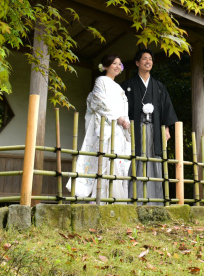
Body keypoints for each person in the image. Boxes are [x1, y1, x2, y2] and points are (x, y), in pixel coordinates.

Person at [67, 54, 131, 202]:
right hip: (106, 127)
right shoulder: (101, 81)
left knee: (116, 163)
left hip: (118, 129)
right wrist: (117, 117)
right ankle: (99, 199)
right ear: (106, 66)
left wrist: (124, 120)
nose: (117, 66)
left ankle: (114, 198)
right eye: (114, 63)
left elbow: (124, 108)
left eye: (119, 64)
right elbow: (98, 102)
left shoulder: (119, 88)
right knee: (104, 162)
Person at [122, 48, 178, 205]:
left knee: (154, 158)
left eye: (150, 59)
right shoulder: (128, 85)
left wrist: (166, 128)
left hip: (154, 129)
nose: (148, 62)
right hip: (135, 129)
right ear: (137, 63)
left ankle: (155, 201)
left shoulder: (159, 87)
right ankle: (135, 199)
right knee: (136, 158)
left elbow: (166, 108)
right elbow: (120, 108)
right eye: (144, 59)